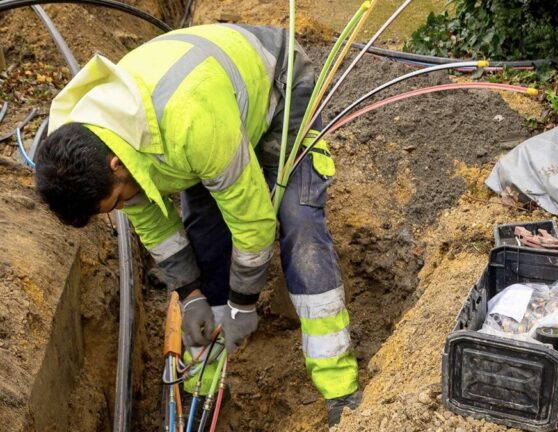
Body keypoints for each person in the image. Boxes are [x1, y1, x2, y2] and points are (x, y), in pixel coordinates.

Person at [34, 23, 360, 425]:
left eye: (116, 200)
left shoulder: (191, 123)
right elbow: (155, 225)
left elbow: (253, 223)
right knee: (206, 235)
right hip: (202, 122)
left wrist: (242, 304)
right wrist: (190, 295)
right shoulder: (92, 141)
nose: (122, 206)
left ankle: (340, 390)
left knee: (299, 224)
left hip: (277, 89)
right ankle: (203, 383)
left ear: (115, 164)